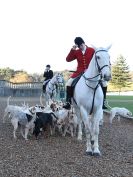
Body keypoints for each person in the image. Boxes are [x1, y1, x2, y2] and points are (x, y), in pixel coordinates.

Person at [63, 37, 108, 110]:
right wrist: (72, 50)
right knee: (69, 83)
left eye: (81, 45)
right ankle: (68, 102)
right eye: (79, 46)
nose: (80, 47)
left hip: (92, 72)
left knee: (104, 83)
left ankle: (103, 101)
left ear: (84, 43)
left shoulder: (92, 50)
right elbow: (68, 59)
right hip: (79, 72)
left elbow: (99, 59)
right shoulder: (76, 52)